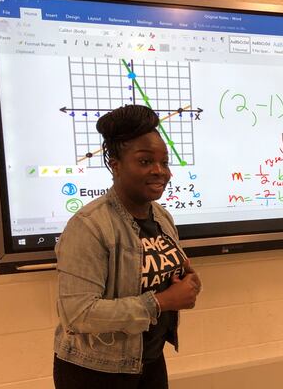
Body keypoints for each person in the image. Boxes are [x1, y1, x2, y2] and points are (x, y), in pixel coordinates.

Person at [53, 105, 201, 388]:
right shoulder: (88, 226)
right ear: (116, 165)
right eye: (145, 161)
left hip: (149, 361)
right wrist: (162, 302)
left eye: (164, 162)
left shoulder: (162, 216)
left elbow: (164, 279)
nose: (160, 171)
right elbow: (78, 314)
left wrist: (188, 284)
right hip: (96, 372)